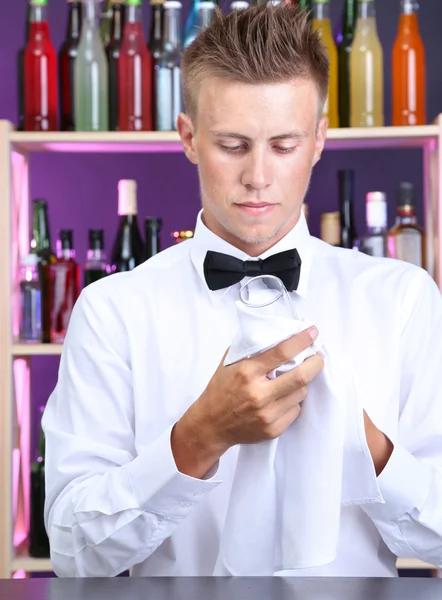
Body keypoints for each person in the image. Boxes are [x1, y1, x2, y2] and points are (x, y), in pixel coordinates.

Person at [42, 3, 442, 578]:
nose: (258, 175)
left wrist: (367, 447)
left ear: (319, 140)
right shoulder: (113, 311)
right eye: (232, 145)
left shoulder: (402, 300)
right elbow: (73, 551)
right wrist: (198, 438)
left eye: (283, 145)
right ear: (188, 138)